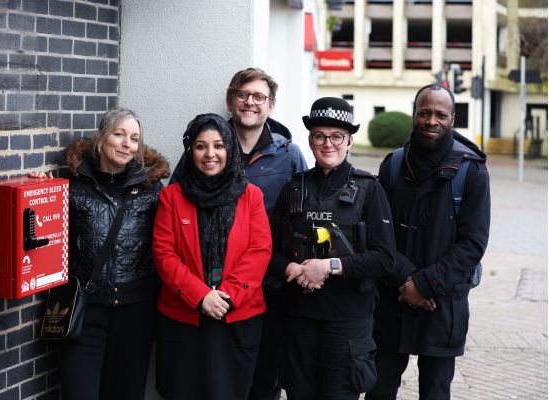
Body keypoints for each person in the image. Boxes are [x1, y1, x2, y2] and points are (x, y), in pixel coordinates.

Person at [170, 67, 307, 400]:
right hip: (205, 294)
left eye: (259, 97)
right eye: (243, 95)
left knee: (263, 381)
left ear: (271, 106)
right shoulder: (206, 148)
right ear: (230, 102)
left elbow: (301, 220)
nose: (250, 103)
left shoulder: (288, 155)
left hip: (269, 289)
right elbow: (173, 211)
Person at [31, 107, 170, 399]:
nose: (126, 144)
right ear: (100, 138)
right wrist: (40, 192)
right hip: (85, 308)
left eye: (133, 138)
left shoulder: (152, 189)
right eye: (119, 134)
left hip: (135, 312)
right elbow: (49, 233)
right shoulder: (73, 185)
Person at [365, 84, 491, 400]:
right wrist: (406, 281)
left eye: (440, 114)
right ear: (414, 115)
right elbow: (379, 235)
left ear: (452, 119)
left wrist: (424, 284)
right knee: (379, 390)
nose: (431, 120)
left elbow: (473, 243)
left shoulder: (472, 172)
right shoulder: (392, 166)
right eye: (424, 112)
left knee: (435, 392)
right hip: (393, 302)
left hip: (443, 305)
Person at [268, 97, 396, 400]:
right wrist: (290, 268)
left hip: (348, 324)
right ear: (310, 141)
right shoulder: (293, 188)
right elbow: (267, 250)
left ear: (349, 141)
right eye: (319, 136)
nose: (328, 144)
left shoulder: (369, 189)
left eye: (337, 136)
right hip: (298, 319)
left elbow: (385, 258)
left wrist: (329, 266)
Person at [152, 113, 272, 400]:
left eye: (218, 146)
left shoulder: (251, 195)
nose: (210, 154)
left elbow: (259, 250)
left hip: (236, 317)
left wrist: (226, 295)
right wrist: (201, 295)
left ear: (230, 149)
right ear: (190, 150)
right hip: (184, 317)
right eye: (200, 146)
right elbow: (164, 254)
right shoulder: (171, 197)